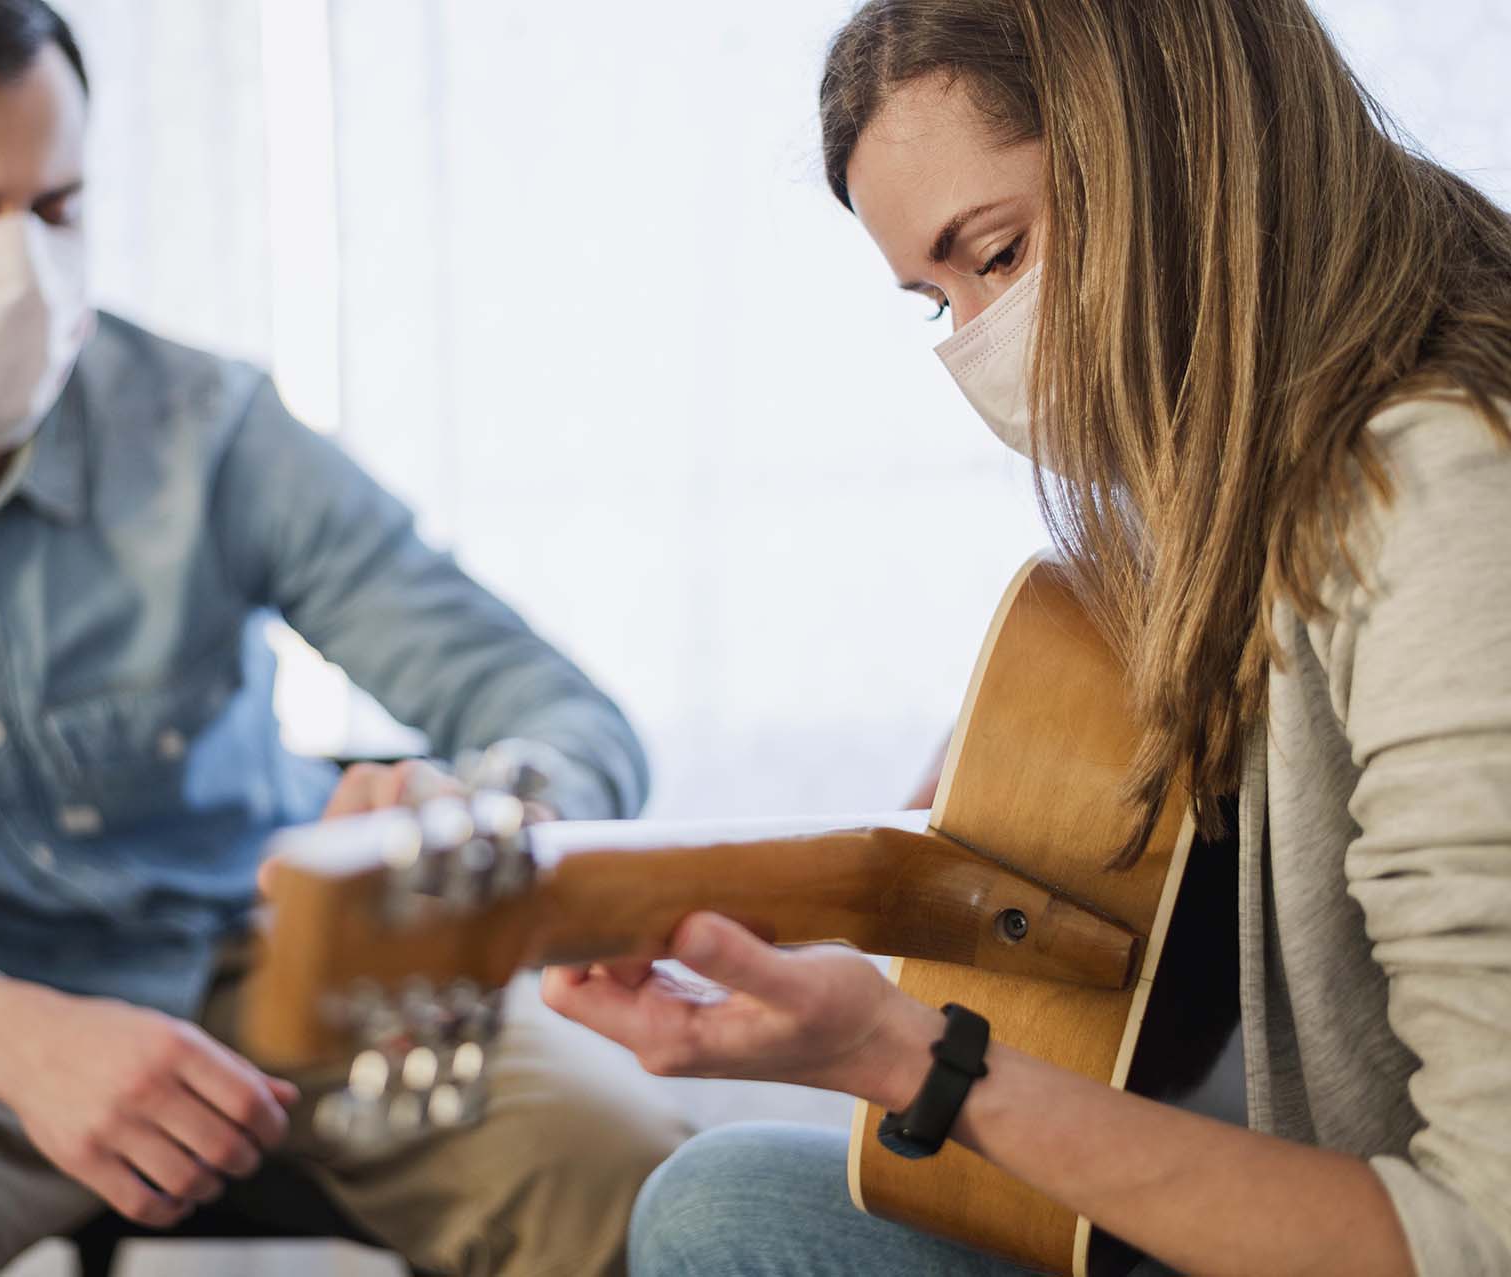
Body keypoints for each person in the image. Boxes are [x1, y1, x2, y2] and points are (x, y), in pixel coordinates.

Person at [0, 2, 687, 1273]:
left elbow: (562, 711)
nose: (22, 269)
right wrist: (10, 1034)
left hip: (288, 976)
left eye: (55, 209)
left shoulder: (207, 426)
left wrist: (482, 817)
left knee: (631, 1170)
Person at [545, 1, 1511, 1274]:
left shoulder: (1440, 493)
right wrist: (788, 902)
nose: (980, 343)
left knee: (719, 1208)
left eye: (996, 255)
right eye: (934, 302)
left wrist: (904, 1055)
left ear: (1179, 145)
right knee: (722, 1195)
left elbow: (1481, 1233)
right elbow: (1030, 838)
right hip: (1311, 1147)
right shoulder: (1231, 496)